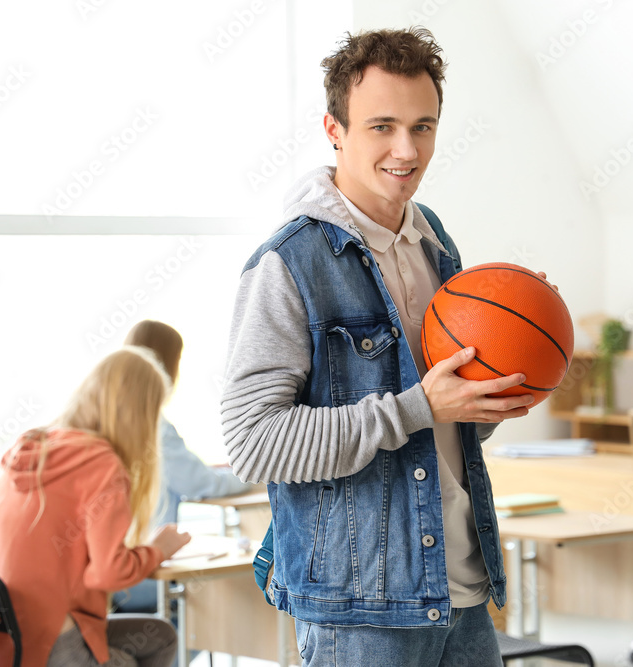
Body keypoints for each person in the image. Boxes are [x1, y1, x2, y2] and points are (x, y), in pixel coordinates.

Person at [222, 27, 547, 666]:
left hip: (462, 589)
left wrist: (521, 353)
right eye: (382, 126)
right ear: (334, 128)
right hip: (360, 607)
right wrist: (416, 407)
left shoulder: (437, 246)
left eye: (423, 126)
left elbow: (445, 430)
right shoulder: (291, 263)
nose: (407, 149)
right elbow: (252, 444)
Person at [0, 347, 192, 667]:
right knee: (151, 646)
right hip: (49, 645)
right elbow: (108, 573)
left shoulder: (28, 448)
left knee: (159, 636)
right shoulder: (101, 463)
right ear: (141, 415)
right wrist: (157, 549)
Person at [112, 319, 252, 616]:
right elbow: (203, 485)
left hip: (115, 568)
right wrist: (252, 471)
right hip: (140, 575)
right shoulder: (153, 427)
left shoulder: (111, 420)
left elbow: (191, 475)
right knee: (203, 612)